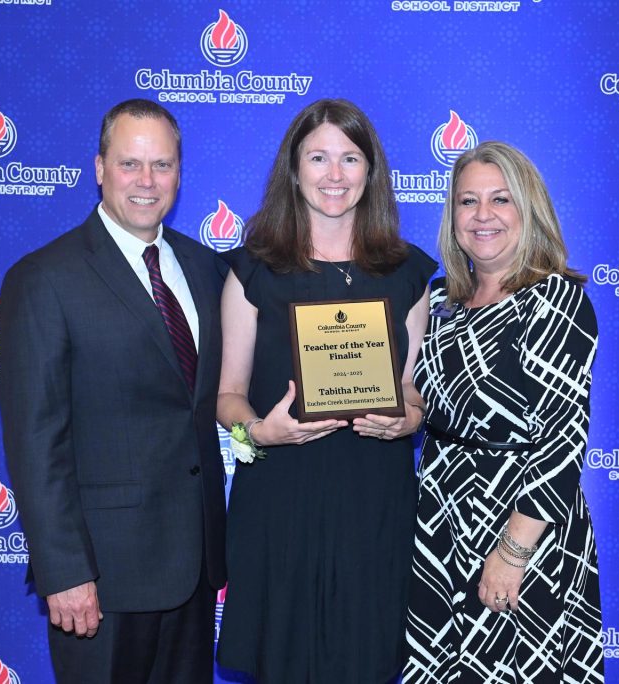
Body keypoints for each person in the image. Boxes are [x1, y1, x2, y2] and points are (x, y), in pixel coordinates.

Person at [0, 98, 227, 684]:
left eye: (163, 165)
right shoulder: (44, 278)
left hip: (195, 569)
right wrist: (65, 570)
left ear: (180, 172)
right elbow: (35, 441)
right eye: (130, 164)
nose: (147, 182)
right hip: (102, 577)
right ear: (99, 168)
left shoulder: (206, 270)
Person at [214, 98, 437, 683]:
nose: (334, 175)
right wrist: (259, 432)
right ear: (294, 169)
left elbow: (410, 386)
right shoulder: (252, 271)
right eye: (318, 157)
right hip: (280, 500)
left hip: (373, 502)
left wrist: (410, 420)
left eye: (350, 158)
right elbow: (226, 397)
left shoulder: (408, 271)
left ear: (372, 171)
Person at [403, 141, 604, 683]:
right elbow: (429, 399)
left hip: (521, 524)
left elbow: (563, 440)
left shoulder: (555, 299)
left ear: (528, 208)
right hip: (440, 520)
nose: (483, 215)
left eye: (500, 200)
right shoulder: (442, 298)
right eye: (468, 201)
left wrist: (513, 551)